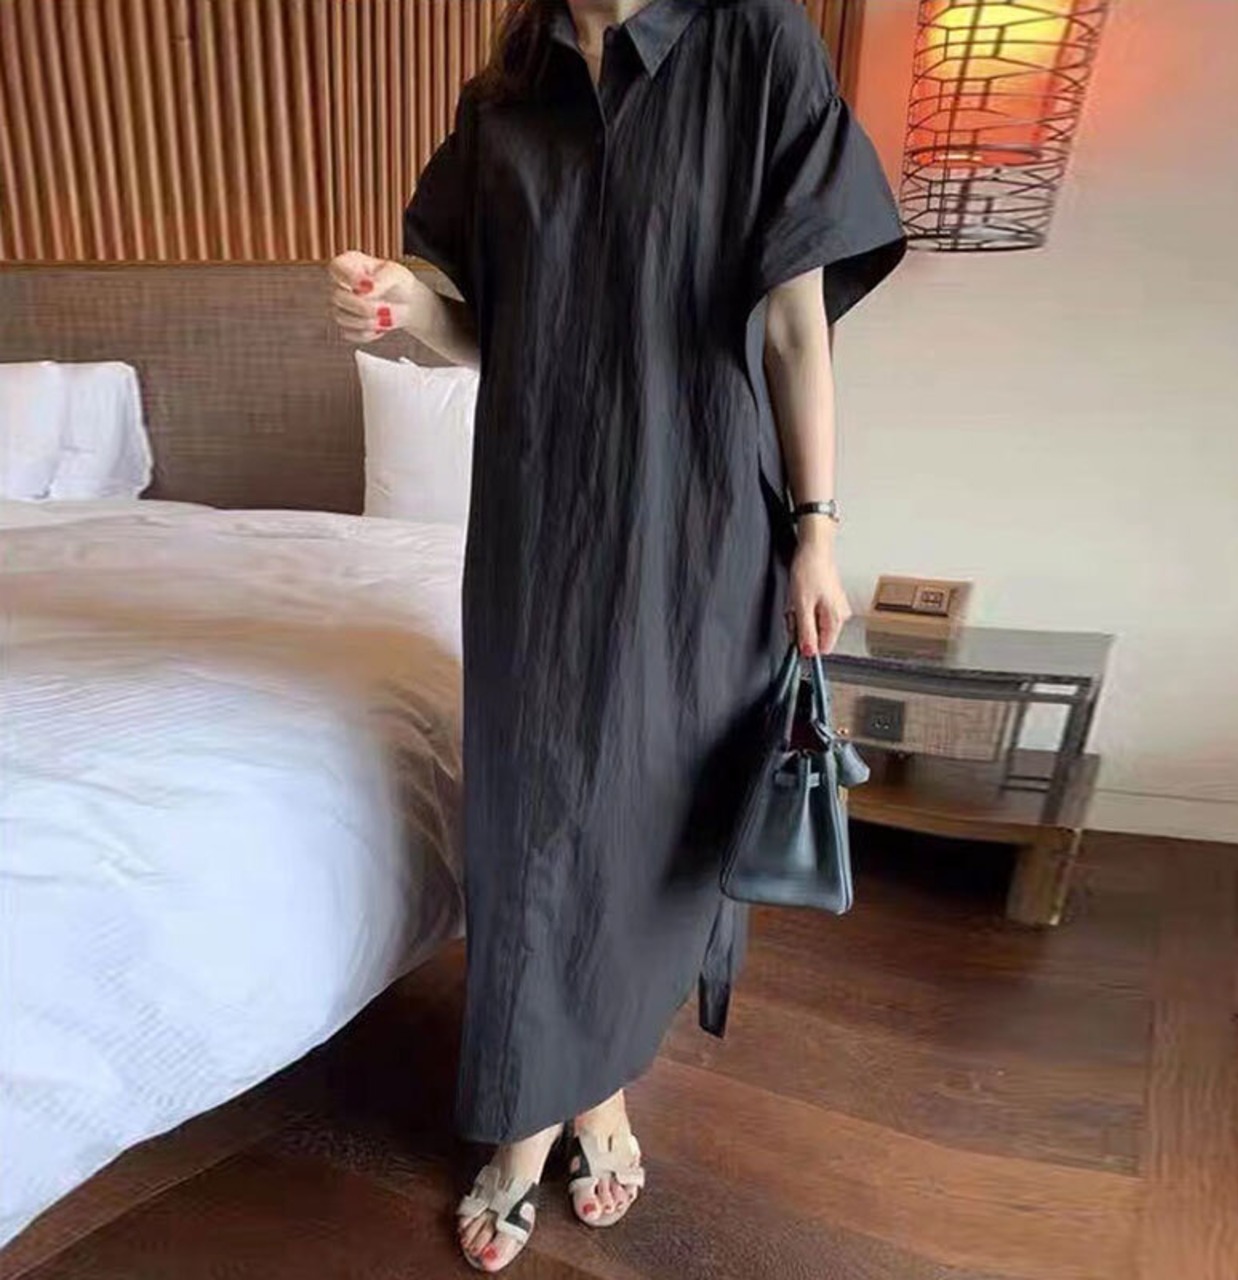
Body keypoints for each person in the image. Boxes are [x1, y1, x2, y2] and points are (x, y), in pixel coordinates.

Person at [329, 0, 904, 1270]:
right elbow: (481, 328)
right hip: (541, 516)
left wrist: (814, 528)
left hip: (704, 513)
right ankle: (550, 1105)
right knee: (531, 813)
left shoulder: (757, 44)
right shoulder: (504, 99)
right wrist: (403, 303)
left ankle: (576, 1098)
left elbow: (793, 323)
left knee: (648, 808)